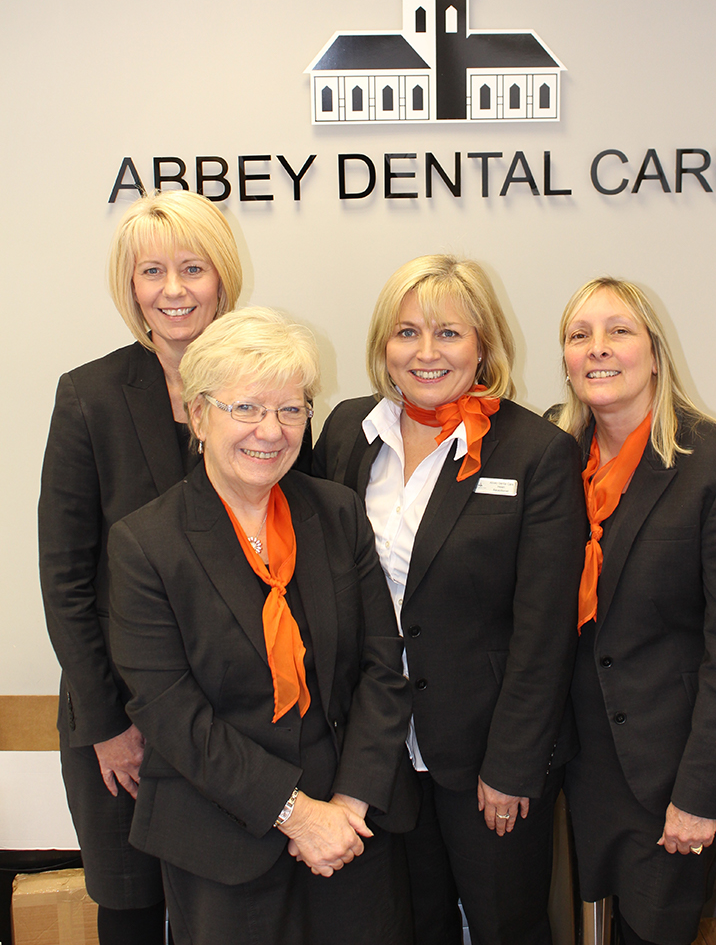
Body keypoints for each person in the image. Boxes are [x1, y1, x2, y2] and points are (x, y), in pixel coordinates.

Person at [107, 308, 417, 945]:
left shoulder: (337, 513)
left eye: (290, 410)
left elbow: (382, 669)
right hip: (221, 844)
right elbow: (172, 714)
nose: (270, 431)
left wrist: (346, 807)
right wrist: (296, 814)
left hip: (349, 834)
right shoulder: (146, 544)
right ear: (199, 416)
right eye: (245, 408)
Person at [313, 255, 586, 945]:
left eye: (449, 334)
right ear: (383, 345)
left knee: (506, 926)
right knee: (408, 924)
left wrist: (513, 763)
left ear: (484, 346)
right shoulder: (348, 431)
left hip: (486, 755)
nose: (426, 353)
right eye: (407, 333)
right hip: (377, 752)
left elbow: (545, 629)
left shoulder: (536, 452)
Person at [39, 190, 244, 945]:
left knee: (229, 911)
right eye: (152, 271)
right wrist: (106, 725)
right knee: (131, 912)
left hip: (234, 723)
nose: (173, 290)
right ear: (130, 286)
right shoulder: (89, 396)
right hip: (121, 723)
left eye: (193, 268)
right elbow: (65, 580)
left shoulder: (265, 388)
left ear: (222, 278)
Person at [554, 277, 716, 945]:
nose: (597, 348)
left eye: (618, 331)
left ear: (654, 354)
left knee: (652, 931)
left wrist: (697, 796)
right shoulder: (553, 454)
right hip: (573, 754)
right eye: (579, 335)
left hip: (668, 760)